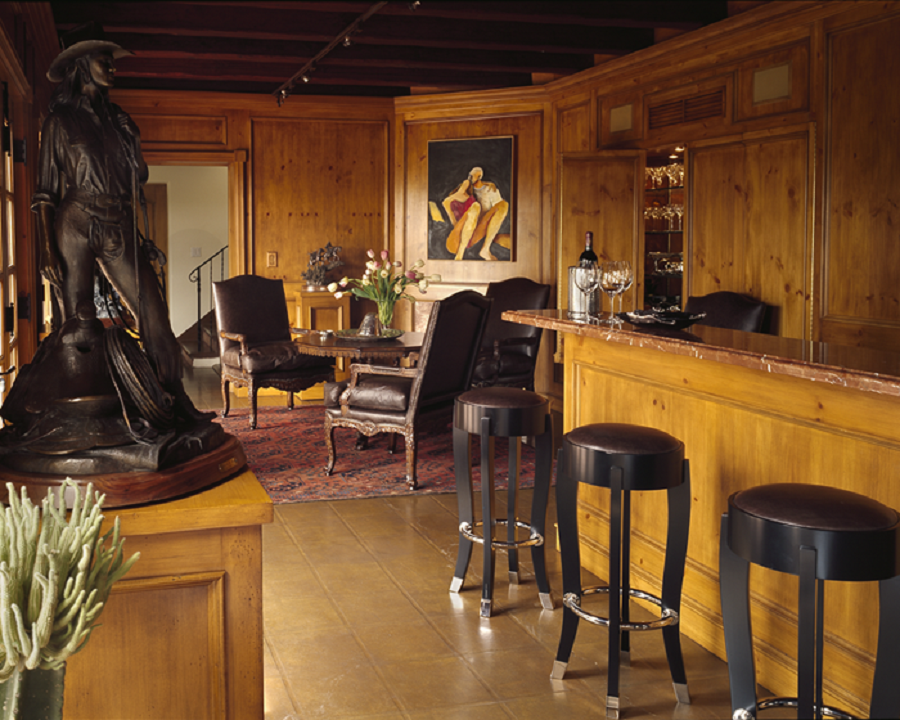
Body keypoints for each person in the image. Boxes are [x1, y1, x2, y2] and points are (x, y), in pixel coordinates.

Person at [442, 167, 509, 261]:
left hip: (476, 231)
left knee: (503, 205)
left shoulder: (483, 192)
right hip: (458, 236)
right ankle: (460, 253)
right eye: (469, 175)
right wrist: (454, 224)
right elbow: (446, 202)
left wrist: (486, 185)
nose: (469, 178)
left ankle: (485, 249)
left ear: (479, 177)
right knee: (475, 207)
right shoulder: (459, 194)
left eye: (473, 176)